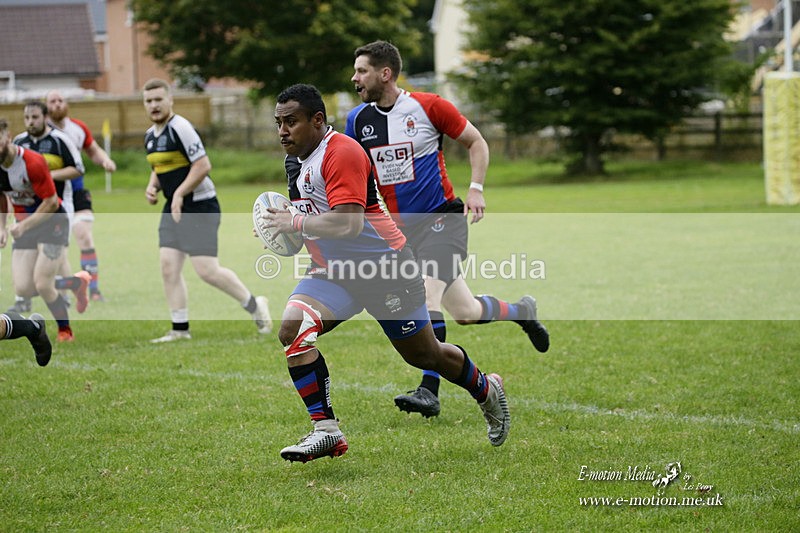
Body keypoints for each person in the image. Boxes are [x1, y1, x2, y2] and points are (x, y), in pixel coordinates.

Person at [262, 83, 509, 463]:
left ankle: (486, 388)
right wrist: (282, 229)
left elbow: (347, 223)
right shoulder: (295, 159)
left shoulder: (341, 152)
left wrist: (293, 222)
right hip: (334, 271)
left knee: (426, 356)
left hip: (386, 268)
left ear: (317, 120)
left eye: (290, 122)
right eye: (278, 122)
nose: (282, 131)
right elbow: (311, 219)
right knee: (293, 329)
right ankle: (326, 430)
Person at [345, 40, 550, 418]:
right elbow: (355, 175)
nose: (355, 78)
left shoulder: (428, 106)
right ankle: (521, 310)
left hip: (443, 219)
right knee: (466, 311)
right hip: (400, 233)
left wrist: (476, 188)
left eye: (362, 70)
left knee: (426, 295)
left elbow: (476, 142)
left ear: (385, 73)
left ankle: (429, 389)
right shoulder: (357, 121)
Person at [142, 78, 271, 342]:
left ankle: (255, 305)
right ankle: (180, 329)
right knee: (168, 266)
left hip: (200, 205)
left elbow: (202, 165)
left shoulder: (181, 128)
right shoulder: (150, 137)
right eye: (149, 101)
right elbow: (160, 167)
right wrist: (152, 187)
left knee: (207, 270)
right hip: (175, 206)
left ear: (170, 100)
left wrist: (178, 193)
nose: (154, 105)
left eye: (158, 99)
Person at [0, 117, 86, 343]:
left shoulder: (33, 162)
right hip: (24, 224)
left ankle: (65, 330)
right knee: (24, 287)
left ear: (8, 137)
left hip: (51, 221)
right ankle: (76, 283)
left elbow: (51, 202)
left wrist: (23, 225)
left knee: (43, 283)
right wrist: (2, 227)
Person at [47, 90, 116, 302]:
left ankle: (93, 289)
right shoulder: (41, 132)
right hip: (52, 196)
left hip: (77, 191)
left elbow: (93, 150)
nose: (57, 104)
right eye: (53, 101)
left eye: (61, 100)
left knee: (84, 235)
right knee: (58, 246)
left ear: (66, 104)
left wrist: (105, 160)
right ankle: (64, 292)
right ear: (46, 106)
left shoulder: (78, 128)